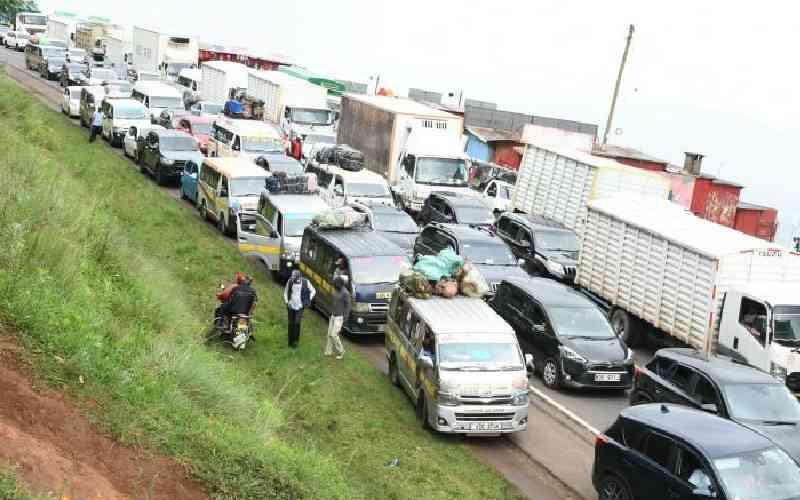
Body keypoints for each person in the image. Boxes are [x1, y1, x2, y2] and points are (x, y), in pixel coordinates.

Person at [283, 270, 315, 348]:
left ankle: (295, 342)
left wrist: (308, 299)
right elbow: (285, 292)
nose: (292, 278)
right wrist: (287, 302)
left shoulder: (305, 282)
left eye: (294, 277)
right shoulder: (290, 281)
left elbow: (313, 291)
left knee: (297, 323)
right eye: (292, 276)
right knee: (290, 323)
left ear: (299, 277)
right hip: (291, 305)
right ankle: (290, 342)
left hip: (300, 306)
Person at [325, 277, 350, 359]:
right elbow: (333, 301)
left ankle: (341, 351)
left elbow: (348, 306)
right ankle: (328, 351)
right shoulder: (336, 290)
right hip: (333, 315)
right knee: (329, 334)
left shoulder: (345, 293)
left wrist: (345, 318)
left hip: (339, 317)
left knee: (334, 334)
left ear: (340, 284)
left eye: (335, 285)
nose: (334, 286)